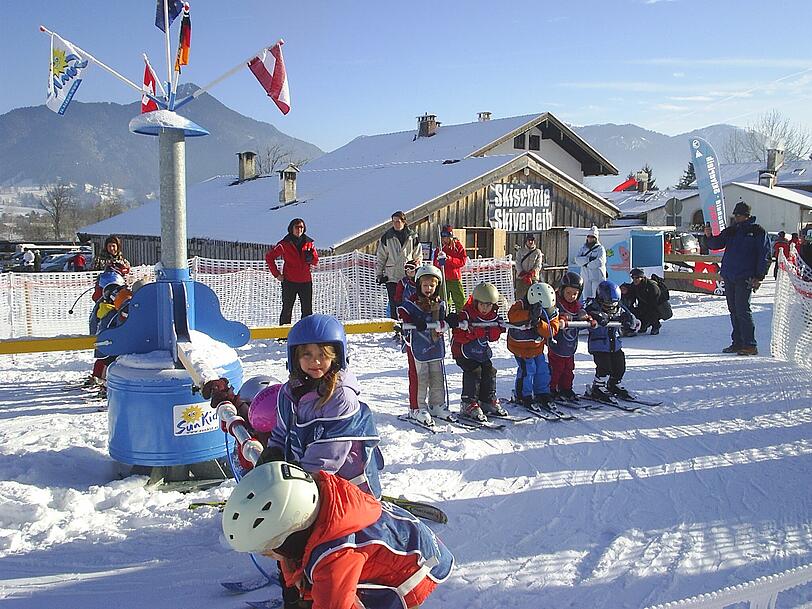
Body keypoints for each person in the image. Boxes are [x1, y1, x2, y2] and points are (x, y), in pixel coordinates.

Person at [222, 461, 453, 609]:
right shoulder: (321, 504)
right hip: (406, 549)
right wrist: (297, 583)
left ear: (290, 537)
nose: (266, 555)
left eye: (268, 550)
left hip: (415, 573)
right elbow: (293, 553)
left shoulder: (336, 557)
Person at [705, 201, 771, 356]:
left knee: (743, 310)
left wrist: (759, 276)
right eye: (735, 214)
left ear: (746, 216)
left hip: (745, 277)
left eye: (738, 214)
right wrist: (708, 236)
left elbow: (765, 255)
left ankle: (750, 344)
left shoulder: (757, 231)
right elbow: (716, 244)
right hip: (729, 275)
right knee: (733, 310)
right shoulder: (732, 230)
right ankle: (738, 342)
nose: (736, 217)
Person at [397, 264, 450, 427]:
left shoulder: (439, 303)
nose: (428, 289)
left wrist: (447, 322)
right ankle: (417, 407)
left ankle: (437, 404)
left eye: (432, 285)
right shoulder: (413, 301)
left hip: (434, 344)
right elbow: (402, 312)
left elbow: (444, 318)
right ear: (419, 285)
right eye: (425, 285)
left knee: (436, 375)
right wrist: (413, 321)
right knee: (420, 377)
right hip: (416, 346)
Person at [448, 282, 507, 422]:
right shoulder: (467, 314)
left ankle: (487, 399)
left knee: (489, 370)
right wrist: (472, 332)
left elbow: (493, 337)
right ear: (476, 303)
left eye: (489, 305)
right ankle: (468, 402)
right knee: (474, 371)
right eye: (482, 305)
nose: (485, 309)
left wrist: (494, 330)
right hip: (463, 352)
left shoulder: (492, 316)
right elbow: (458, 335)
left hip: (480, 352)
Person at [507, 282, 562, 410]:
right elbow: (512, 316)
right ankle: (522, 395)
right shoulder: (521, 305)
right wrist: (529, 315)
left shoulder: (551, 310)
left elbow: (552, 330)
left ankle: (542, 392)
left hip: (537, 347)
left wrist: (538, 323)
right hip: (520, 347)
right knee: (528, 370)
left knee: (542, 369)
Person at [584, 280, 641, 401]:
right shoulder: (593, 307)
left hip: (615, 344)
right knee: (604, 367)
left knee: (620, 366)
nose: (611, 308)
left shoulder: (619, 308)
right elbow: (585, 314)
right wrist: (596, 316)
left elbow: (631, 318)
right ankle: (598, 387)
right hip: (599, 345)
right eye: (608, 305)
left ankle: (614, 384)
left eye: (614, 304)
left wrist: (629, 319)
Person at [549, 272, 595, 402]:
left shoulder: (576, 306)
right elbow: (551, 317)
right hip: (557, 345)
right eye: (568, 293)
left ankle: (566, 388)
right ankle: (551, 388)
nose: (571, 296)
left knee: (569, 369)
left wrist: (587, 319)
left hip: (570, 346)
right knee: (556, 369)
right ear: (562, 290)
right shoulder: (556, 304)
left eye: (574, 294)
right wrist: (561, 318)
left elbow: (582, 314)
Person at [266, 218, 319, 326]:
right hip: (289, 281)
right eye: (296, 227)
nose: (299, 229)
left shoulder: (309, 243)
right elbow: (269, 257)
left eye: (301, 227)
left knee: (307, 309)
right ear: (291, 228)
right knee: (287, 308)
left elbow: (316, 261)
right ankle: (283, 335)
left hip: (305, 281)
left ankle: (306, 332)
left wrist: (311, 258)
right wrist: (276, 274)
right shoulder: (284, 244)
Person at [375, 211, 422, 322]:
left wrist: (417, 267)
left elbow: (418, 256)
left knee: (409, 301)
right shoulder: (387, 237)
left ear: (404, 222)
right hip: (392, 276)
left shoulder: (412, 236)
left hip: (409, 275)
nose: (396, 223)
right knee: (394, 302)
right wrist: (379, 274)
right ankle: (395, 325)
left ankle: (409, 324)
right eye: (394, 221)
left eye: (398, 221)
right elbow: (381, 257)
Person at [433, 224, 468, 313]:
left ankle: (461, 316)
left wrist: (449, 259)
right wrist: (439, 261)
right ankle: (445, 317)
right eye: (443, 236)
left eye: (447, 236)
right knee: (444, 300)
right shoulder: (440, 248)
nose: (445, 239)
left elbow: (462, 261)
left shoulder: (457, 247)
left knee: (459, 299)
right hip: (444, 278)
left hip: (455, 278)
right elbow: (435, 264)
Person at [626, 268, 664, 335]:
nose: (635, 279)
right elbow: (631, 297)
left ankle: (656, 326)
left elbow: (655, 302)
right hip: (643, 305)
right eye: (633, 277)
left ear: (642, 277)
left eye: (637, 277)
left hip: (656, 306)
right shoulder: (634, 285)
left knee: (651, 312)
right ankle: (643, 325)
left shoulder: (651, 286)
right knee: (633, 311)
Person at [574, 226, 607, 299]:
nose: (590, 238)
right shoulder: (583, 248)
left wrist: (586, 264)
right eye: (588, 236)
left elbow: (600, 262)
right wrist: (588, 260)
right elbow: (577, 259)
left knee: (597, 296)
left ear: (595, 238)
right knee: (586, 296)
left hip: (597, 277)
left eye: (592, 237)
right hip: (585, 276)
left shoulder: (600, 249)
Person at [514, 234, 544, 300]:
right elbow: (517, 263)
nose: (530, 242)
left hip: (533, 278)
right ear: (526, 241)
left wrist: (531, 274)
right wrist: (522, 273)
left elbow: (538, 265)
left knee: (534, 297)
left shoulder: (538, 252)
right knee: (520, 297)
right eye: (529, 240)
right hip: (521, 278)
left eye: (532, 240)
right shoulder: (520, 251)